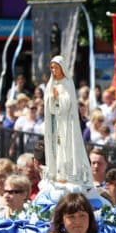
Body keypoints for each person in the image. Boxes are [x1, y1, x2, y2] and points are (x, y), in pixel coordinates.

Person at [43, 56, 93, 185]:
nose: (54, 70)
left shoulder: (67, 83)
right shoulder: (51, 83)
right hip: (55, 122)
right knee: (56, 147)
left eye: (56, 67)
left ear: (62, 68)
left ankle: (68, 173)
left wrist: (58, 97)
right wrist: (51, 98)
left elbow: (68, 102)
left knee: (66, 147)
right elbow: (48, 105)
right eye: (52, 68)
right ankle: (57, 172)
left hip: (66, 123)